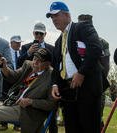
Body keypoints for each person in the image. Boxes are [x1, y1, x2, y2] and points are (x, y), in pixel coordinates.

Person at [46, 1, 107, 132]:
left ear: (67, 15)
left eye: (56, 15)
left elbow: (96, 49)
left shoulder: (82, 27)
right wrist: (55, 85)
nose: (53, 19)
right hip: (68, 92)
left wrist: (81, 73)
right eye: (52, 17)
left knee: (89, 127)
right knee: (72, 128)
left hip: (87, 88)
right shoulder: (58, 42)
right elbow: (56, 68)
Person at [0, 48, 57, 133]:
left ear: (47, 64)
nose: (35, 63)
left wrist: (31, 102)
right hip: (12, 101)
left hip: (28, 112)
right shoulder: (28, 66)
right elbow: (13, 76)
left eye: (39, 61)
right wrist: (4, 66)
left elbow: (51, 104)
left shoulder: (52, 77)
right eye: (34, 59)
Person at [78, 13, 110, 130]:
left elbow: (105, 66)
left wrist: (97, 82)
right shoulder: (73, 41)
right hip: (78, 84)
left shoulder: (101, 42)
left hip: (95, 84)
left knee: (96, 118)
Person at [0, 35, 22, 131]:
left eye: (19, 42)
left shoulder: (22, 53)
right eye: (16, 42)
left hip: (18, 80)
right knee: (5, 100)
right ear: (11, 43)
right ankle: (4, 123)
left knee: (17, 101)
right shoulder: (6, 54)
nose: (18, 44)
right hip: (7, 80)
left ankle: (17, 124)